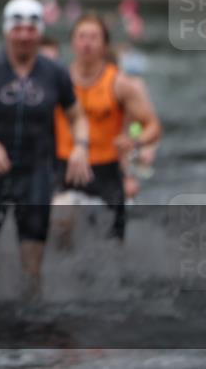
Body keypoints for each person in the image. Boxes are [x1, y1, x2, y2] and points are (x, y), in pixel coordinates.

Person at [0, 0, 90, 298]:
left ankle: (30, 327)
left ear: (39, 31)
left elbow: (77, 116)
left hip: (37, 174)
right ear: (6, 30)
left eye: (31, 28)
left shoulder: (54, 72)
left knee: (32, 268)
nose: (24, 35)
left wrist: (81, 145)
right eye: (18, 28)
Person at [51, 14, 162, 243]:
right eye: (81, 37)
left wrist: (135, 143)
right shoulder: (56, 80)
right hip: (65, 168)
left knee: (111, 248)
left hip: (107, 172)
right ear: (72, 42)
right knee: (61, 226)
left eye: (94, 37)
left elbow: (150, 126)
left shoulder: (122, 84)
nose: (87, 43)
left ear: (105, 44)